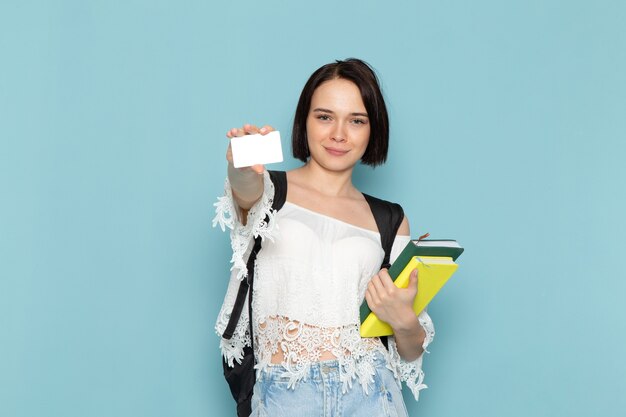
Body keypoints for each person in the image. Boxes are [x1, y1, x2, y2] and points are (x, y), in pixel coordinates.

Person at [213, 58, 435, 417]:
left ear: (372, 130)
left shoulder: (390, 219)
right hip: (285, 395)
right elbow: (244, 187)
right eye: (324, 116)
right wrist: (241, 163)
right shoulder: (271, 191)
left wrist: (404, 319)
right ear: (305, 121)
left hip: (371, 392)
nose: (339, 134)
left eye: (357, 121)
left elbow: (410, 349)